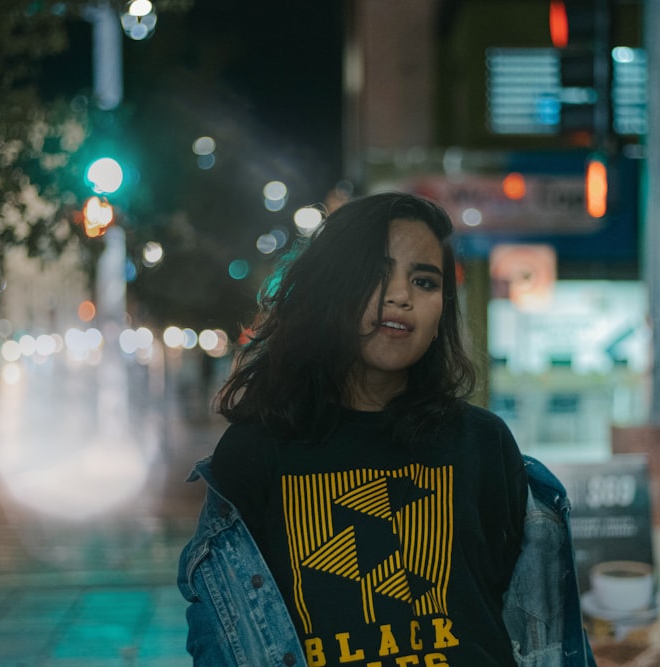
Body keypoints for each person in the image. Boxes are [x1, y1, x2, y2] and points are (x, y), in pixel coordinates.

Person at [177, 192, 596, 667]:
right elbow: (220, 627)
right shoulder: (256, 450)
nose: (401, 295)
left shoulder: (483, 442)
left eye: (424, 281)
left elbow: (519, 614)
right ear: (332, 289)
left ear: (442, 312)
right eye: (377, 274)